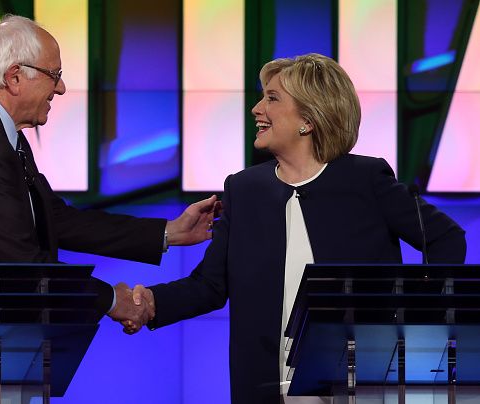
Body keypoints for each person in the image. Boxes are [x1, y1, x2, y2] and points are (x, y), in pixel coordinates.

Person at [126, 53, 467, 403]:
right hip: (264, 387)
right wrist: (151, 302)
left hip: (358, 386)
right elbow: (210, 285)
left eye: (272, 98)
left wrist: (409, 317)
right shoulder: (244, 190)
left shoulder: (365, 179)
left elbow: (446, 239)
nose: (257, 108)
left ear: (309, 118)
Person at [0, 15, 217, 324]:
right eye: (54, 74)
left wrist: (168, 232)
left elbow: (56, 220)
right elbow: (16, 262)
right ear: (14, 77)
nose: (62, 87)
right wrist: (109, 299)